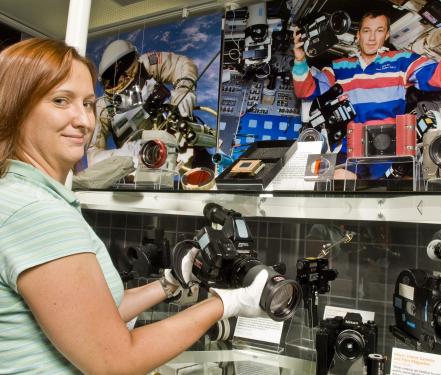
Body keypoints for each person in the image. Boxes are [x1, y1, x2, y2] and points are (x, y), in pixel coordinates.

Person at [0, 38, 268, 374]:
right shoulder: (37, 212)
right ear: (16, 106)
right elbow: (117, 361)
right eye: (60, 101)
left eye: (85, 103)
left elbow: (92, 315)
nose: (83, 120)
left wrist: (167, 284)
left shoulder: (18, 193)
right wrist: (226, 303)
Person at [292, 1, 441, 179]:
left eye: (379, 31)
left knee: (386, 200)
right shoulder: (338, 67)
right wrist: (300, 60)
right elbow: (307, 91)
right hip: (350, 147)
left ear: (386, 35)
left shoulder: (402, 61)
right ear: (358, 34)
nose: (371, 38)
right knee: (341, 186)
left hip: (389, 148)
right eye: (367, 31)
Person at [86, 39, 199, 167]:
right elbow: (93, 157)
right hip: (137, 162)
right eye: (114, 77)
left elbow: (181, 64)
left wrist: (184, 89)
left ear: (134, 60)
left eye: (124, 68)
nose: (122, 78)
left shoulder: (146, 65)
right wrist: (124, 154)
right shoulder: (103, 107)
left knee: (199, 166)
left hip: (175, 138)